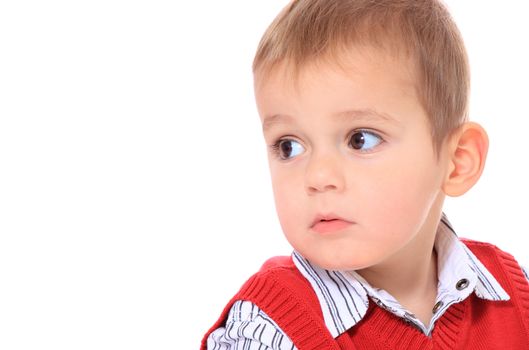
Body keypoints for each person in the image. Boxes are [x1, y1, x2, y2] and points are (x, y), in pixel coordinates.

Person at [201, 0, 529, 348]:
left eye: (360, 140)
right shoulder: (270, 328)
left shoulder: (509, 293)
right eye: (289, 146)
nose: (318, 176)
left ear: (457, 161)